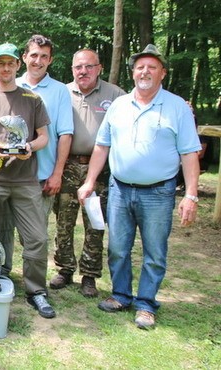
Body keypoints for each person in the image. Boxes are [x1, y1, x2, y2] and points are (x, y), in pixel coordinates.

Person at [78, 44, 201, 329]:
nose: (145, 71)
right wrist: (89, 180)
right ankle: (120, 295)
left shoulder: (177, 107)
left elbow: (189, 153)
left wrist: (191, 195)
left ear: (163, 74)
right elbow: (102, 146)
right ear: (133, 72)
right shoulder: (119, 104)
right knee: (118, 248)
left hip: (159, 192)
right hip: (120, 189)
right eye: (140, 67)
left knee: (154, 252)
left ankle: (146, 304)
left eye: (152, 67)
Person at [0, 43, 54, 318]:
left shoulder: (32, 99)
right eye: (0, 63)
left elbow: (43, 136)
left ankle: (36, 291)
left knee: (37, 238)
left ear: (18, 65)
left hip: (25, 180)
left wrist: (30, 147)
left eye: (10, 63)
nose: (5, 68)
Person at [51, 49, 126, 297]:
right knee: (64, 222)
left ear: (99, 68)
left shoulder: (115, 94)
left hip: (99, 170)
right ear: (72, 69)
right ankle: (64, 269)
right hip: (67, 166)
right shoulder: (62, 92)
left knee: (95, 223)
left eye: (89, 67)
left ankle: (90, 275)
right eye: (78, 67)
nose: (83, 71)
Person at [2, 34, 73, 276]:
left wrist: (57, 173)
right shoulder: (11, 84)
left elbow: (65, 134)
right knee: (4, 231)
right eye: (33, 55)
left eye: (44, 56)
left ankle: (34, 280)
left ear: (50, 60)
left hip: (40, 175)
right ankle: (4, 274)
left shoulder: (60, 91)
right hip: (9, 173)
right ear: (24, 58)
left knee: (34, 235)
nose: (38, 61)